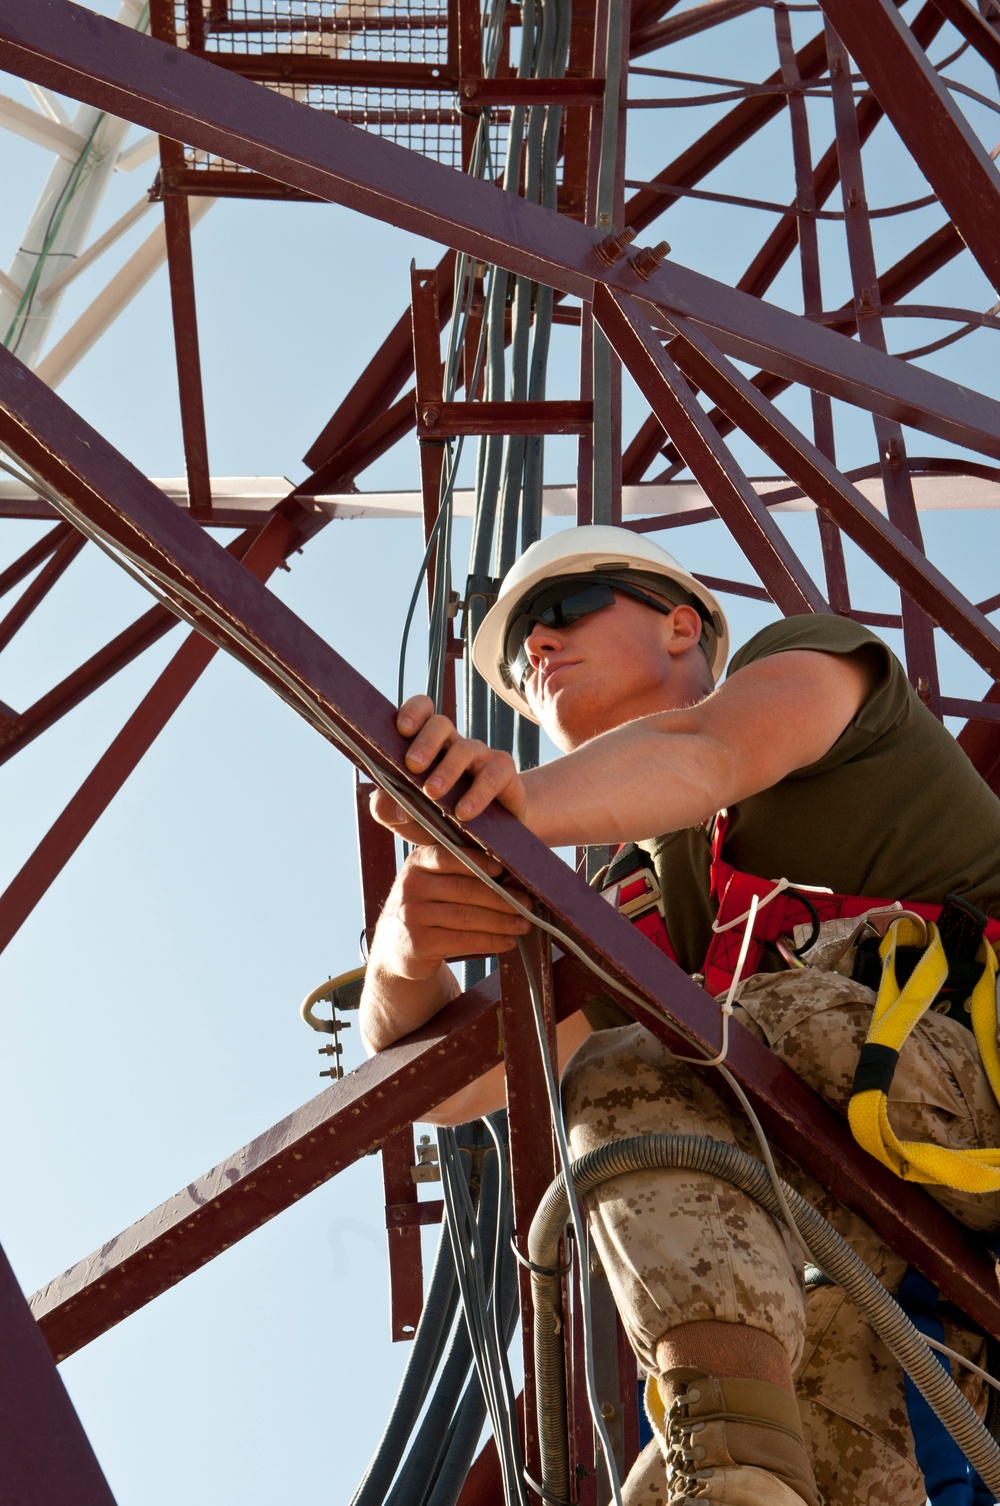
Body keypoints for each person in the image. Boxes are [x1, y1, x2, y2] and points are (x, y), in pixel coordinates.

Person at [359, 525, 1000, 1506]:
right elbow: (464, 1088)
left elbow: (699, 753)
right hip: (881, 1254)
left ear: (678, 623)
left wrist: (502, 814)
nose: (535, 650)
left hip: (963, 1099)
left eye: (564, 610)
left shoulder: (810, 666)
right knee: (614, 1082)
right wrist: (404, 951)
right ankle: (725, 1472)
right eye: (516, 655)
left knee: (740, 1020)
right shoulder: (595, 909)